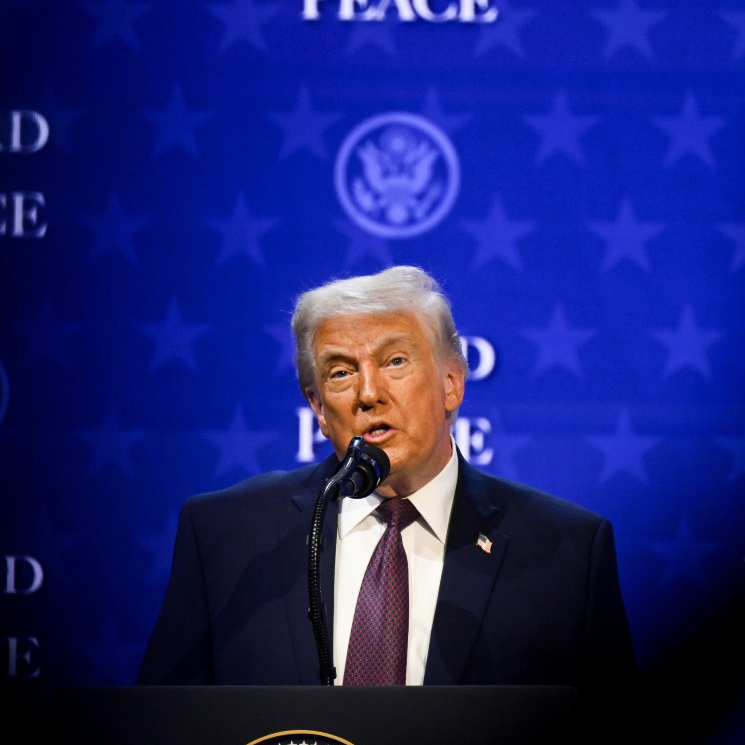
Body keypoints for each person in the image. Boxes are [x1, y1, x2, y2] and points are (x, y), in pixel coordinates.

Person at [137, 265, 634, 695]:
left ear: (451, 383)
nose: (368, 393)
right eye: (339, 373)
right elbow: (163, 734)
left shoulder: (566, 553)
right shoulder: (228, 536)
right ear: (317, 409)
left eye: (395, 361)